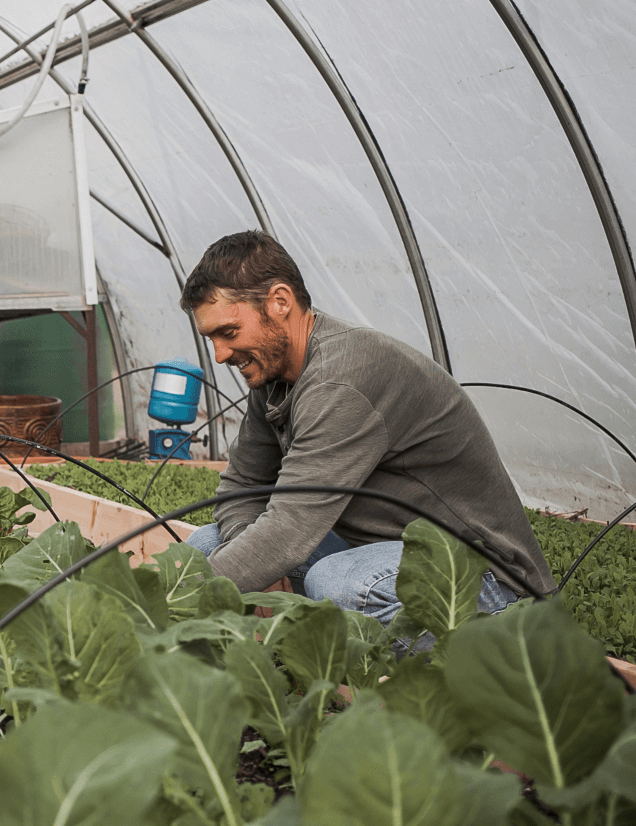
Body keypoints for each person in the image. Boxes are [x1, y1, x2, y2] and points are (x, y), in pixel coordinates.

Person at [177, 231, 555, 630]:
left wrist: (173, 604)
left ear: (280, 302)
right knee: (209, 545)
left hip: (484, 574)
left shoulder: (341, 382)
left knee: (335, 585)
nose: (219, 355)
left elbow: (289, 529)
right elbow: (243, 484)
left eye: (229, 332)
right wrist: (250, 552)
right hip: (378, 553)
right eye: (211, 338)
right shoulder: (275, 374)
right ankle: (303, 633)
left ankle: (497, 636)